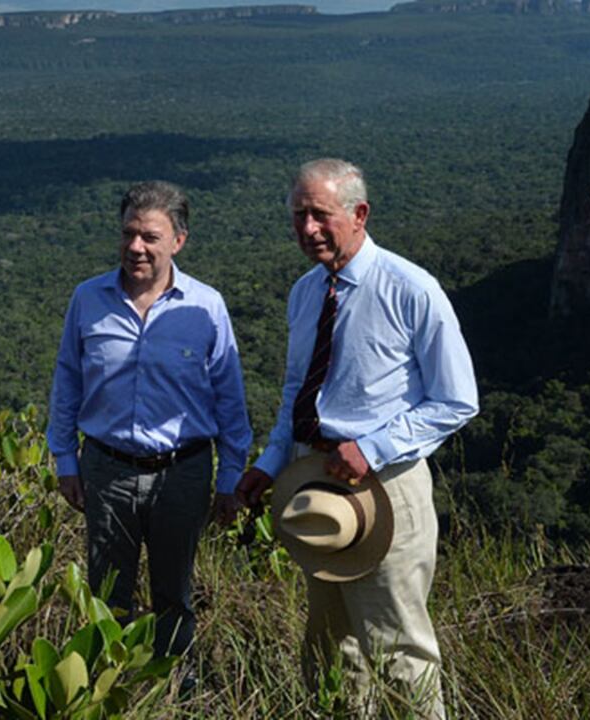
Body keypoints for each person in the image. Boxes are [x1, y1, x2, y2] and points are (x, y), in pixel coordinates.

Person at [236, 158, 478, 718]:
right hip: (314, 486)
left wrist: (373, 447)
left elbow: (457, 399)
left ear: (359, 214)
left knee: (400, 652)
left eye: (320, 215)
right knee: (328, 653)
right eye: (299, 217)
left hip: (386, 489)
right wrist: (270, 464)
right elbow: (299, 394)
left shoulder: (411, 289)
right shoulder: (304, 292)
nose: (308, 229)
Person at [47, 180, 252, 659]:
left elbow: (230, 399)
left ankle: (176, 690)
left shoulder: (206, 307)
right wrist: (65, 459)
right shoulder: (88, 299)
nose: (135, 247)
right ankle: (103, 690)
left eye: (150, 237)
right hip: (106, 468)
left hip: (183, 472)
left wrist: (231, 478)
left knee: (174, 596)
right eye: (128, 234)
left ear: (178, 241)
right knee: (106, 595)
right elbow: (68, 381)